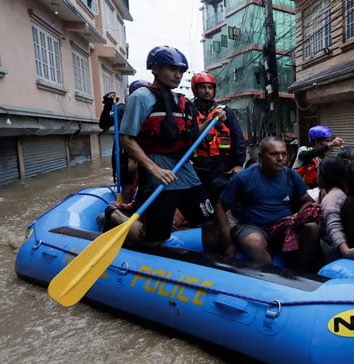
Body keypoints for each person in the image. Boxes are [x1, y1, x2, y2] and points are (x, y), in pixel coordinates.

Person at [116, 45, 220, 246]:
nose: (178, 75)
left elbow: (193, 133)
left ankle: (210, 264)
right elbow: (126, 138)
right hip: (158, 172)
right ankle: (115, 215)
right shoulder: (141, 98)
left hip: (184, 169)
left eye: (181, 71)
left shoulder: (180, 101)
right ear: (155, 69)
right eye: (172, 69)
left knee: (209, 220)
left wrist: (213, 119)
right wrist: (154, 169)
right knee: (157, 236)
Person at [215, 136, 320, 271]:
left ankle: (298, 274)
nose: (280, 159)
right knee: (254, 242)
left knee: (312, 228)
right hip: (252, 227)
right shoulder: (243, 178)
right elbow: (220, 206)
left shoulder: (291, 175)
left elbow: (306, 200)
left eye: (284, 154)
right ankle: (273, 280)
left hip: (284, 227)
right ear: (261, 156)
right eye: (274, 154)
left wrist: (298, 216)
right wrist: (228, 241)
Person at [188, 71, 247, 253]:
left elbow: (238, 139)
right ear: (195, 90)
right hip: (199, 169)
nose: (207, 91)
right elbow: (187, 137)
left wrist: (238, 164)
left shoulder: (225, 112)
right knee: (207, 217)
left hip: (223, 168)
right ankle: (210, 252)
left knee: (226, 209)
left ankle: (230, 244)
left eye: (210, 88)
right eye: (203, 88)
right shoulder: (188, 111)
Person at [99, 80, 149, 206]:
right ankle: (125, 209)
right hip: (124, 156)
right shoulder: (122, 109)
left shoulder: (153, 110)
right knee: (127, 189)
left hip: (146, 155)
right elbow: (104, 124)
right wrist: (107, 107)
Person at [317, 156, 354, 266]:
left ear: (324, 177)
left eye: (318, 173)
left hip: (339, 249)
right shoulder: (350, 190)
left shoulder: (331, 198)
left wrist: (345, 250)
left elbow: (334, 226)